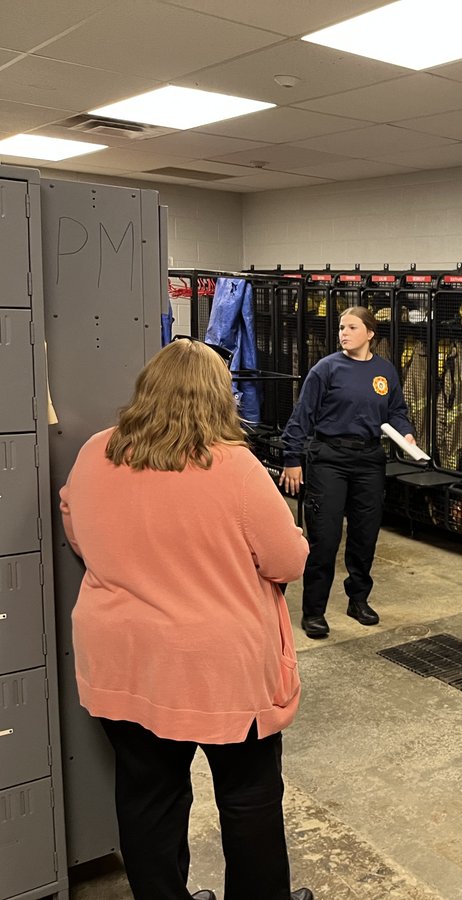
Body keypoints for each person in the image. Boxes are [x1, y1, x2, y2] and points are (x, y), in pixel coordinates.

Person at [58, 338, 313, 900]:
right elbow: (286, 560)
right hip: (217, 671)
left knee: (149, 799)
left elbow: (75, 527)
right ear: (219, 399)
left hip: (122, 662)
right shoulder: (235, 466)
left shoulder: (96, 452)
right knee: (248, 800)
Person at [279, 306, 416, 639]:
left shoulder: (385, 372)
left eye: (352, 327)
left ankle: (359, 599)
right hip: (329, 458)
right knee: (324, 538)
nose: (343, 333)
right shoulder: (326, 369)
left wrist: (406, 432)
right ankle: (314, 611)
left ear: (370, 333)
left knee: (364, 535)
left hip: (369, 459)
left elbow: (397, 411)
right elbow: (302, 416)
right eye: (341, 327)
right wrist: (291, 458)